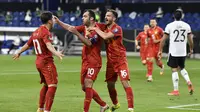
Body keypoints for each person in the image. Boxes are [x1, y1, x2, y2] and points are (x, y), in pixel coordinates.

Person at [54, 9, 110, 112]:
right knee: (84, 87)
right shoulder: (84, 27)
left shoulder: (97, 29)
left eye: (84, 16)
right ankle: (103, 105)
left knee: (88, 83)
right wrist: (58, 22)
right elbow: (71, 28)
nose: (82, 18)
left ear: (91, 18)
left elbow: (89, 43)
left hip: (94, 61)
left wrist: (77, 34)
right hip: (85, 61)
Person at [12, 11, 64, 112]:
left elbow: (28, 44)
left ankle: (40, 108)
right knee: (53, 85)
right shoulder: (45, 32)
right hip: (46, 61)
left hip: (39, 62)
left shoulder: (36, 31)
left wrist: (19, 52)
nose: (54, 21)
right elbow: (48, 45)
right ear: (49, 21)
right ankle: (47, 110)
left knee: (46, 85)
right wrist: (56, 53)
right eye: (53, 19)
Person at [89, 9, 134, 112]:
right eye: (106, 15)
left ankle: (131, 108)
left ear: (114, 18)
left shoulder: (117, 29)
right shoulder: (103, 27)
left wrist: (95, 29)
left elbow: (105, 36)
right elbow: (93, 24)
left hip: (120, 60)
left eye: (109, 16)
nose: (106, 17)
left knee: (125, 83)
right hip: (110, 62)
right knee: (110, 85)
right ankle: (116, 104)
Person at [158, 9, 194, 96]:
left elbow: (163, 39)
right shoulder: (187, 26)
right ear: (181, 16)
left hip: (174, 51)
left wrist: (160, 50)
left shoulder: (169, 25)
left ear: (174, 16)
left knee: (174, 69)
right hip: (183, 51)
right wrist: (191, 49)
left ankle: (176, 90)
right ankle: (188, 81)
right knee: (181, 67)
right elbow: (190, 39)